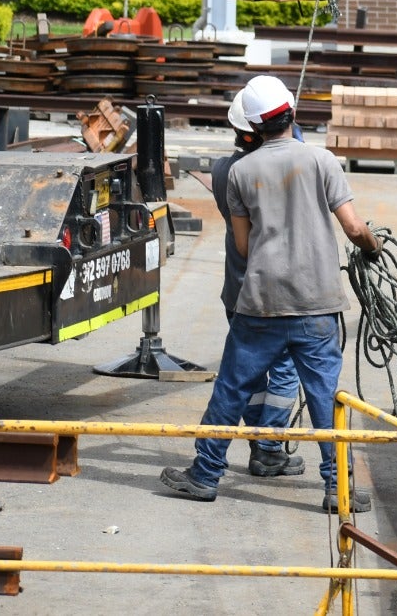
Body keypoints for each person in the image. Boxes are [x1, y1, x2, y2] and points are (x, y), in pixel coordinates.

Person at [162, 75, 382, 512]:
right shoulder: (322, 160)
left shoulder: (239, 171)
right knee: (325, 398)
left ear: (252, 127)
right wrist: (372, 247)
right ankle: (338, 489)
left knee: (231, 390)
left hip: (260, 304)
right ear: (292, 114)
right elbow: (355, 228)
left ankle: (205, 475)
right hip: (317, 304)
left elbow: (244, 246)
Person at [213, 87, 304, 480]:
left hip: (238, 286)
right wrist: (294, 138)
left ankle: (259, 445)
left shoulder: (223, 170)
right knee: (286, 367)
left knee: (249, 371)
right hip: (281, 286)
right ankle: (268, 447)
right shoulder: (283, 166)